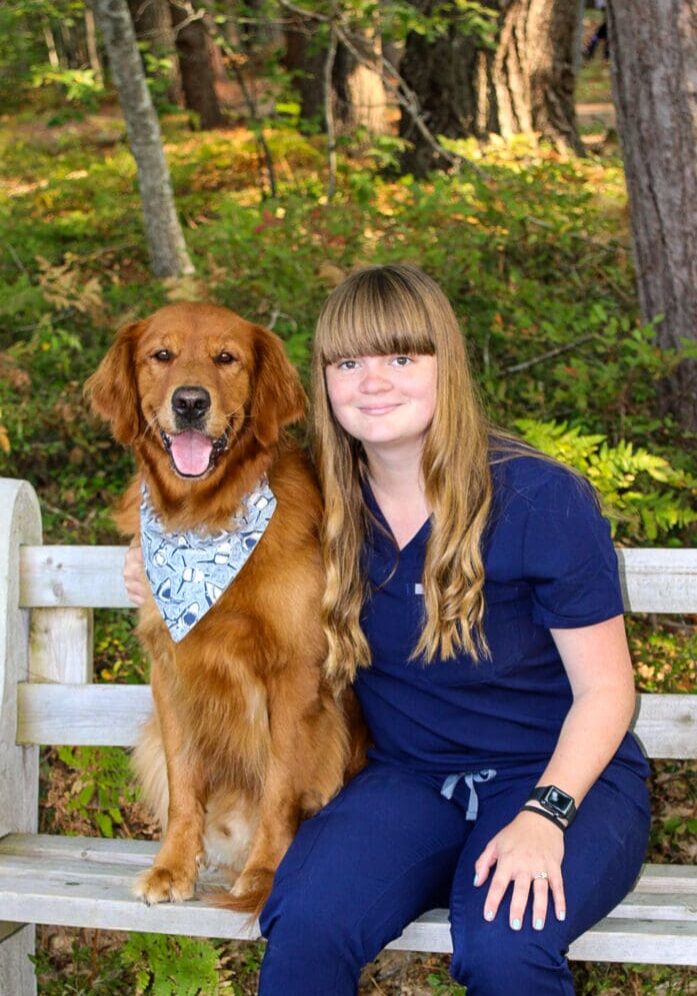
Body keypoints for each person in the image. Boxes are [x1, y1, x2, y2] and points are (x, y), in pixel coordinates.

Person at [124, 264, 650, 995]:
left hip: (561, 778)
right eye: (348, 362)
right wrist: (153, 569)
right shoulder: (325, 503)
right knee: (304, 920)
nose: (373, 381)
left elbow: (606, 691)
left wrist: (544, 815)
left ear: (447, 366)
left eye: (401, 357)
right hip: (408, 780)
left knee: (503, 945)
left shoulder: (539, 496)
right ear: (324, 380)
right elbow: (216, 543)